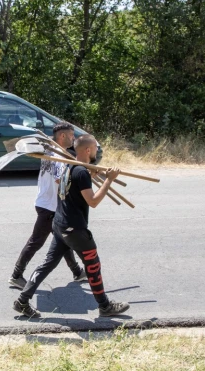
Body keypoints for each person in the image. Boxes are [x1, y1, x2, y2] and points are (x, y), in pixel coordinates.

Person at [12, 134, 129, 318]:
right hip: (75, 229)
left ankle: (22, 301)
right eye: (96, 149)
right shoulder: (81, 171)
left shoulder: (69, 165)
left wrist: (90, 175)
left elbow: (67, 185)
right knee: (93, 265)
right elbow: (93, 201)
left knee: (47, 264)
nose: (97, 152)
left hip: (60, 224)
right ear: (88, 150)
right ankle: (105, 306)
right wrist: (109, 180)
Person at [9, 122, 84, 289]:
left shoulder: (52, 151)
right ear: (63, 136)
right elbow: (60, 180)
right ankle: (16, 275)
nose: (74, 138)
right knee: (36, 241)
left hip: (50, 204)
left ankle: (77, 272)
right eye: (72, 135)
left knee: (63, 240)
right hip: (49, 206)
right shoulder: (57, 156)